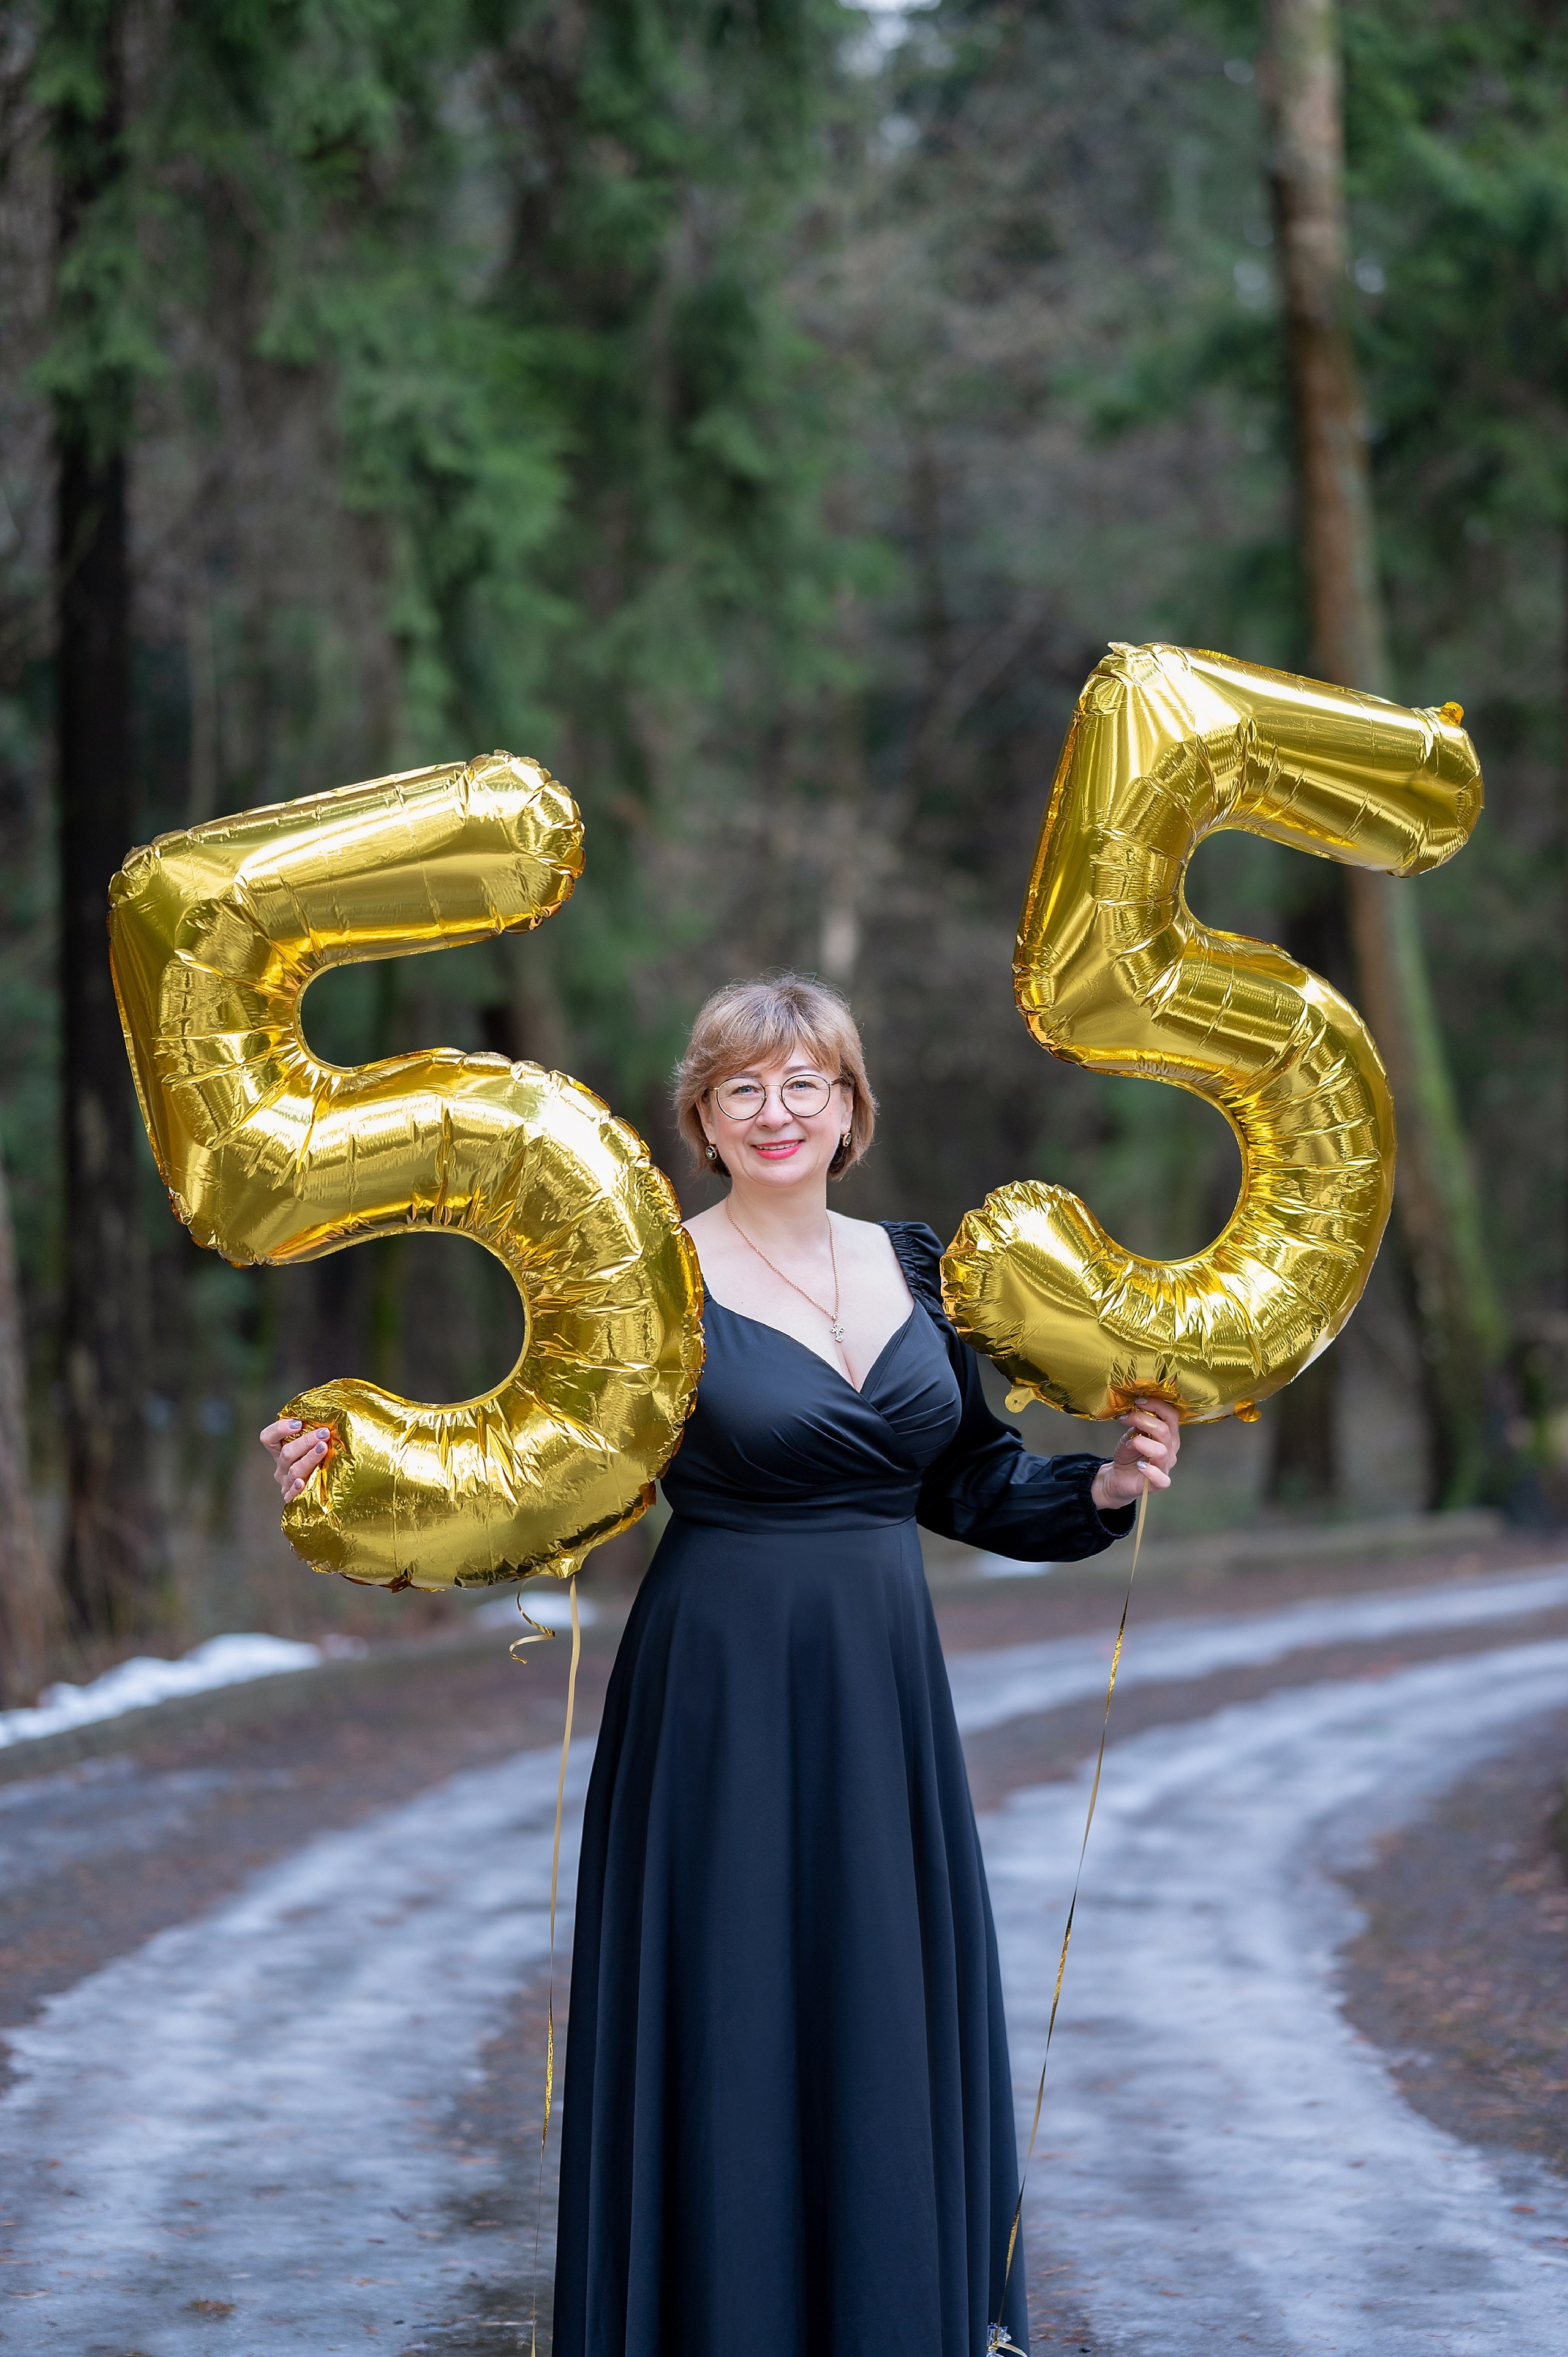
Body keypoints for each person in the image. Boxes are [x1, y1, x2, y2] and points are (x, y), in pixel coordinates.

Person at [263, 973, 1180, 2357]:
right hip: (720, 1687)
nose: (774, 1109)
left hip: (880, 1686)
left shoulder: (917, 1268)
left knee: (877, 1994)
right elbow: (527, 1470)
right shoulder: (648, 1284)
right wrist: (358, 1469)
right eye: (741, 1085)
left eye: (804, 1081)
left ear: (850, 1107)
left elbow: (971, 1479)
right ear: (700, 1114)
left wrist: (1102, 1485)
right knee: (734, 2002)